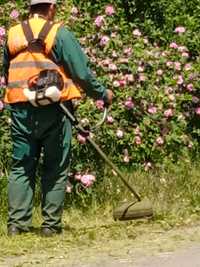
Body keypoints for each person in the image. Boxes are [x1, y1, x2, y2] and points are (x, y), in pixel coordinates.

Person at [2, 0, 113, 237]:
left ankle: (16, 225)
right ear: (51, 8)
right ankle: (50, 226)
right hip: (56, 109)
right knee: (55, 165)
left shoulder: (12, 34)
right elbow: (81, 73)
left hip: (21, 108)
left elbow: (6, 71)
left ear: (30, 8)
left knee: (22, 165)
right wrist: (103, 94)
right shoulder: (58, 33)